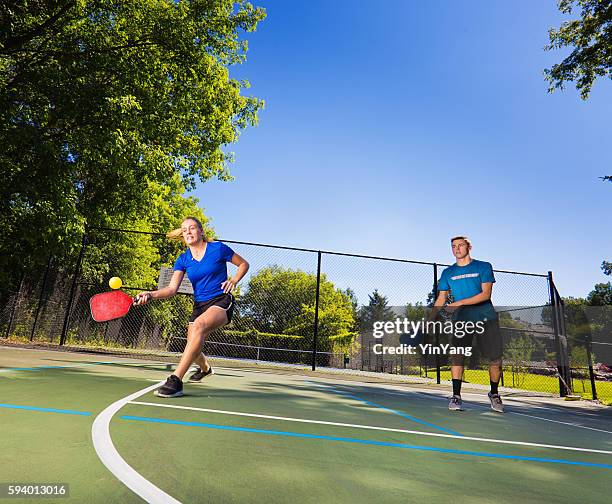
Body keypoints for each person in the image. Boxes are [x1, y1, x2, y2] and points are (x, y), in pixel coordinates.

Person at [135, 217, 249, 398]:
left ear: (201, 231)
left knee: (198, 327)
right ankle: (205, 369)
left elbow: (244, 264)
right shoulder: (183, 259)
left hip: (221, 300)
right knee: (192, 346)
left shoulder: (218, 249)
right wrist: (150, 294)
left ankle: (175, 380)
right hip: (199, 305)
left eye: (192, 228)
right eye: (184, 229)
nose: (188, 232)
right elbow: (172, 289)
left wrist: (234, 280)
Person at [433, 236, 504, 413]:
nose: (456, 249)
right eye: (453, 246)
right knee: (457, 355)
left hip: (486, 318)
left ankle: (494, 393)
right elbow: (441, 298)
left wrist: (458, 303)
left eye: (460, 245)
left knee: (495, 359)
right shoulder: (447, 273)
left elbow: (485, 295)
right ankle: (456, 396)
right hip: (461, 320)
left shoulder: (483, 266)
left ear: (469, 247)